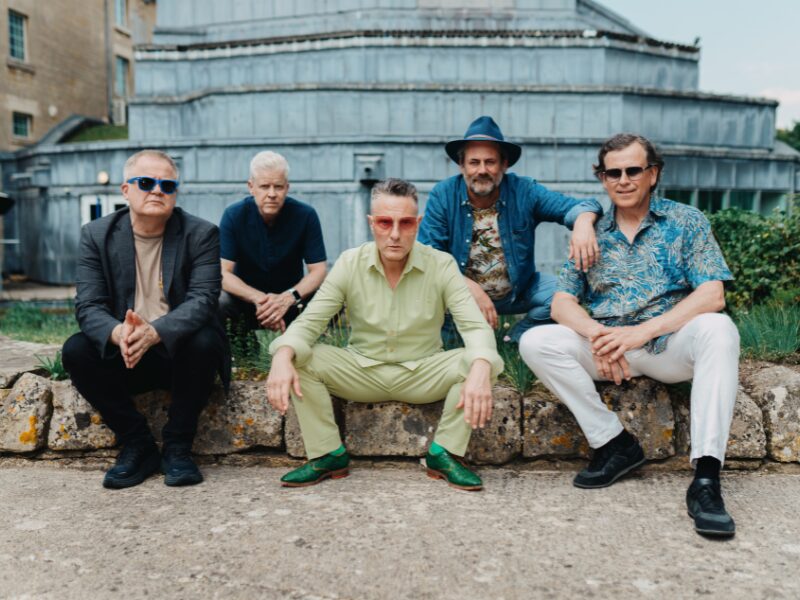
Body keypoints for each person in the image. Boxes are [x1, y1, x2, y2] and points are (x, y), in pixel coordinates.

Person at [519, 133, 740, 538]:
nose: (623, 180)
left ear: (652, 174)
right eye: (613, 173)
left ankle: (706, 479)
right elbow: (562, 304)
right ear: (602, 178)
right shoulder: (590, 233)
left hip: (666, 347)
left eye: (633, 171)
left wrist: (639, 333)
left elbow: (713, 294)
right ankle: (614, 443)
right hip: (610, 351)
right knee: (535, 341)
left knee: (719, 328)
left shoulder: (686, 221)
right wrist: (599, 336)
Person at [266, 178, 503, 490]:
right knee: (298, 357)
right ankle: (327, 454)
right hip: (361, 370)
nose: (394, 234)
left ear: (417, 223)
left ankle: (444, 453)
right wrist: (282, 355)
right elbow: (310, 322)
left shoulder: (441, 265)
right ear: (371, 223)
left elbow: (474, 327)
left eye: (405, 223)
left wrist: (482, 365)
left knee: (482, 361)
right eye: (384, 222)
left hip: (423, 372)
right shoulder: (350, 263)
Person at [62, 149, 230, 489]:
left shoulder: (201, 234)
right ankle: (138, 444)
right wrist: (118, 333)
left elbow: (203, 300)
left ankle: (178, 447)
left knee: (206, 339)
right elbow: (89, 305)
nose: (157, 190)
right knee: (76, 350)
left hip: (179, 357)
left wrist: (155, 332)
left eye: (167, 185)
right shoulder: (96, 234)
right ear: (126, 190)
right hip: (126, 355)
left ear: (175, 193)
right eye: (146, 182)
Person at [418, 115, 603, 343]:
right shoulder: (443, 195)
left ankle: (516, 337)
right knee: (433, 312)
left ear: (504, 164)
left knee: (566, 291)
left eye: (490, 162)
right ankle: (457, 334)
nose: (482, 170)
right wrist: (468, 287)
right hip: (460, 296)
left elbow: (579, 206)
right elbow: (429, 255)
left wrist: (583, 223)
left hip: (518, 291)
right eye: (474, 162)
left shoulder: (524, 191)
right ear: (462, 165)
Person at [219, 151, 326, 332]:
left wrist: (288, 298)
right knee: (218, 300)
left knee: (329, 296)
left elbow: (319, 270)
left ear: (287, 187)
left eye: (278, 187)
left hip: (293, 300)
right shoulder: (233, 215)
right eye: (264, 186)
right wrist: (260, 299)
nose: (272, 194)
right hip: (246, 301)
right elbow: (223, 273)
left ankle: (306, 343)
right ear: (251, 187)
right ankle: (241, 347)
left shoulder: (305, 215)